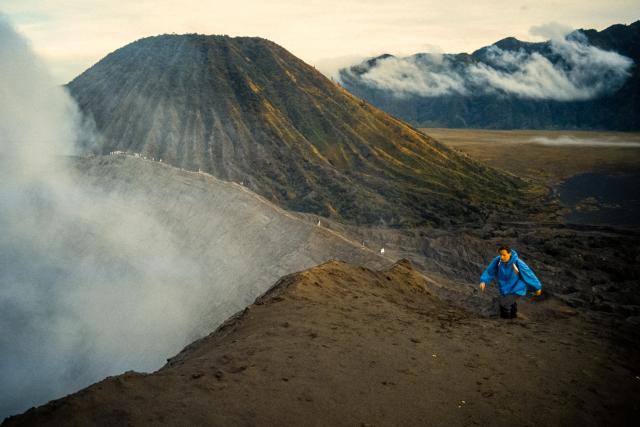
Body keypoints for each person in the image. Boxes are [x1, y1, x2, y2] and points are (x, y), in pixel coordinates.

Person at [479, 246, 542, 319]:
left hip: (518, 288)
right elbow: (490, 271)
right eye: (500, 255)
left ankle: (506, 320)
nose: (502, 257)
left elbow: (529, 274)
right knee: (510, 303)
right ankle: (513, 318)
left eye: (504, 255)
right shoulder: (498, 261)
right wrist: (483, 281)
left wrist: (537, 287)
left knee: (504, 303)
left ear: (510, 254)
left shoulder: (517, 263)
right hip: (505, 289)